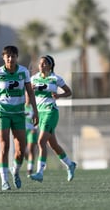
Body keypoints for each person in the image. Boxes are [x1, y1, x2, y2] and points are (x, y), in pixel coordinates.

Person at [0, 45, 39, 191]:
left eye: (13, 56)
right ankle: (4, 181)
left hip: (19, 113)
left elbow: (30, 93)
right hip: (3, 113)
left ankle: (15, 171)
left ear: (16, 57)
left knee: (20, 150)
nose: (10, 59)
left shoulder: (23, 72)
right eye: (8, 56)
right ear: (3, 57)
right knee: (4, 146)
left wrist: (35, 112)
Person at [29, 55, 76, 183]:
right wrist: (30, 92)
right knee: (53, 145)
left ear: (50, 65)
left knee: (40, 141)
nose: (41, 65)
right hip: (40, 113)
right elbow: (28, 96)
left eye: (44, 63)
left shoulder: (55, 78)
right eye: (40, 63)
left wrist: (59, 95)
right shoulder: (33, 79)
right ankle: (70, 164)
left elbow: (69, 92)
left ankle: (39, 172)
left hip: (51, 112)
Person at [24, 96, 39, 176]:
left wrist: (35, 128)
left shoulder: (34, 108)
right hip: (22, 131)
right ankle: (29, 160)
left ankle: (30, 169)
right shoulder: (21, 107)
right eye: (27, 96)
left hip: (31, 130)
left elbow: (37, 119)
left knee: (30, 149)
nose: (28, 98)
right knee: (21, 150)